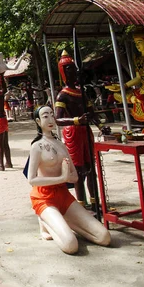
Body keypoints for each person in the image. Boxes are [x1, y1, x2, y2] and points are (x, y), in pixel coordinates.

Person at [28, 106, 111, 254]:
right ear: (38, 121)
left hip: (64, 195)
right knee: (71, 245)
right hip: (44, 198)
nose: (50, 119)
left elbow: (74, 177)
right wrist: (62, 178)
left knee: (104, 237)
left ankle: (63, 221)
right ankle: (45, 220)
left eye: (52, 115)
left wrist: (67, 177)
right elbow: (32, 180)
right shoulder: (36, 146)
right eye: (45, 116)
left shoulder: (61, 144)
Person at [54, 51, 99, 205]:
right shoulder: (62, 95)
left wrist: (101, 126)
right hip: (73, 132)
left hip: (86, 131)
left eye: (73, 68)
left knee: (91, 167)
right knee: (78, 169)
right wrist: (76, 120)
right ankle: (81, 202)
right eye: (69, 69)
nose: (73, 71)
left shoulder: (82, 92)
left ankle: (95, 200)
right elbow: (58, 119)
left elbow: (92, 113)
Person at [107, 30, 144, 134]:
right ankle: (135, 100)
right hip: (143, 88)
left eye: (139, 42)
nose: (137, 46)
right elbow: (138, 78)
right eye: (136, 43)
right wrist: (123, 86)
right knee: (117, 94)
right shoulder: (138, 59)